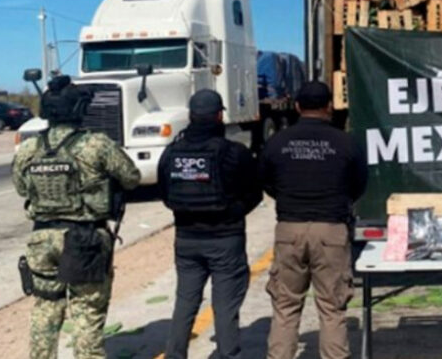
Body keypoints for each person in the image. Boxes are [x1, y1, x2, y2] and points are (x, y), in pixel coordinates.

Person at [13, 75, 141, 359]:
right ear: (79, 109)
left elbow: (21, 187)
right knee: (87, 311)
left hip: (41, 239)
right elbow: (131, 177)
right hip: (85, 240)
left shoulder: (30, 147)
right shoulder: (96, 144)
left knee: (46, 308)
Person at [260, 81, 368, 359]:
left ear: (297, 107)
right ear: (329, 106)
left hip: (289, 229)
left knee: (285, 306)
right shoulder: (346, 143)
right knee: (332, 307)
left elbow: (267, 182)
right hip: (331, 230)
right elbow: (358, 185)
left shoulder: (277, 142)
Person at [157, 89, 262, 359]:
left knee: (185, 302)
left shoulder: (171, 153)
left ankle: (175, 355)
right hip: (225, 240)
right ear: (219, 116)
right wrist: (233, 212)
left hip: (186, 240)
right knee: (225, 306)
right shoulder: (234, 153)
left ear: (191, 116)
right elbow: (255, 193)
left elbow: (165, 194)